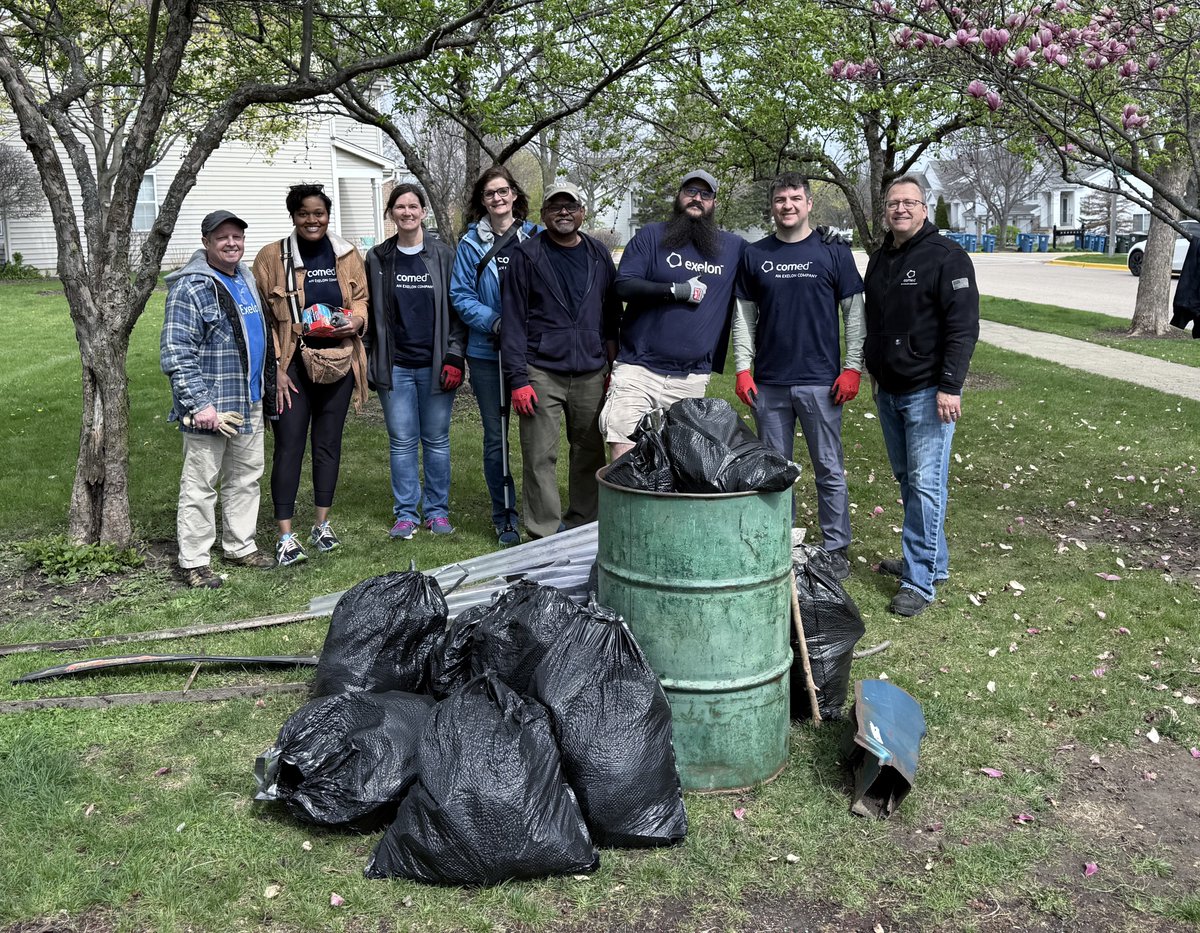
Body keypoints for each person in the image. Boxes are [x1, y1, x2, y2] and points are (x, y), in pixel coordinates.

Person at [733, 172, 865, 582]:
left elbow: (854, 312)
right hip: (769, 384)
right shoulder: (754, 256)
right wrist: (742, 367)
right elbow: (744, 317)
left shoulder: (834, 252)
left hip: (821, 383)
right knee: (775, 471)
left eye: (795, 198)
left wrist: (852, 367)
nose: (787, 205)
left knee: (828, 467)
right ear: (771, 206)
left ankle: (835, 549)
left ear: (809, 204)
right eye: (779, 199)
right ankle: (779, 544)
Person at [863, 175, 979, 617]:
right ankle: (933, 562)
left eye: (910, 202)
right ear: (885, 210)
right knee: (910, 481)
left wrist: (950, 385)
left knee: (926, 486)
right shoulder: (881, 258)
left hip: (929, 391)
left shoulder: (947, 257)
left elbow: (963, 326)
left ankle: (919, 581)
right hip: (889, 389)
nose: (901, 209)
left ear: (925, 209)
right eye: (894, 203)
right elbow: (876, 319)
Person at [252, 183, 369, 567]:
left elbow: (362, 298)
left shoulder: (348, 254)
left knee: (327, 445)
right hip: (293, 365)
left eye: (318, 213)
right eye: (304, 213)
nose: (312, 220)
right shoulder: (272, 256)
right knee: (289, 446)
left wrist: (357, 320)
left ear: (328, 216)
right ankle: (286, 535)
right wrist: (277, 370)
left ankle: (322, 524)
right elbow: (264, 319)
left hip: (338, 360)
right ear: (293, 216)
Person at [161, 210, 275, 588]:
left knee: (245, 477)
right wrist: (199, 405)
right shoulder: (192, 286)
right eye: (222, 237)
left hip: (249, 399)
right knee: (200, 482)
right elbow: (177, 351)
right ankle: (194, 560)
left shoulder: (244, 278)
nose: (231, 243)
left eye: (237, 237)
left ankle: (240, 545)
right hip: (213, 404)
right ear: (206, 241)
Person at [500, 182, 620, 539]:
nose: (563, 212)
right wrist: (518, 379)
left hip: (591, 371)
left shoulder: (599, 256)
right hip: (541, 372)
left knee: (588, 454)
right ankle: (544, 532)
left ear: (583, 212)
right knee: (539, 457)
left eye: (570, 206)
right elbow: (512, 323)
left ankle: (585, 525)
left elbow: (612, 318)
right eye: (555, 206)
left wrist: (614, 368)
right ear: (543, 214)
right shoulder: (526, 256)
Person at [600, 170, 745, 459]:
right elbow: (624, 285)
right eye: (690, 191)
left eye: (706, 194)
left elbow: (774, 256)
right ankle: (629, 505)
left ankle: (663, 505)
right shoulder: (652, 236)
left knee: (678, 458)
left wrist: (817, 237)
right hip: (638, 369)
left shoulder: (733, 248)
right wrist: (675, 290)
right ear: (678, 197)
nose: (697, 198)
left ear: (714, 203)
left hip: (691, 377)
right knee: (623, 443)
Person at [365, 183, 467, 539]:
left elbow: (458, 311)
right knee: (402, 441)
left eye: (413, 206)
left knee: (437, 441)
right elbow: (371, 311)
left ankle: (437, 512)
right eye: (400, 207)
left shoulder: (444, 256)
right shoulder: (378, 258)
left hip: (436, 363)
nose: (407, 212)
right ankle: (406, 513)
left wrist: (455, 354)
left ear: (423, 212)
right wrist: (370, 358)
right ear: (391, 213)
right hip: (395, 365)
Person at [450, 167, 542, 545]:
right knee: (495, 438)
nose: (498, 199)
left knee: (538, 438)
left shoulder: (536, 237)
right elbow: (461, 295)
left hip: (533, 355)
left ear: (515, 195)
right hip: (487, 353)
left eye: (503, 191)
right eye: (490, 194)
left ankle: (541, 512)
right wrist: (497, 322)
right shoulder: (470, 244)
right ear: (482, 200)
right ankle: (503, 513)